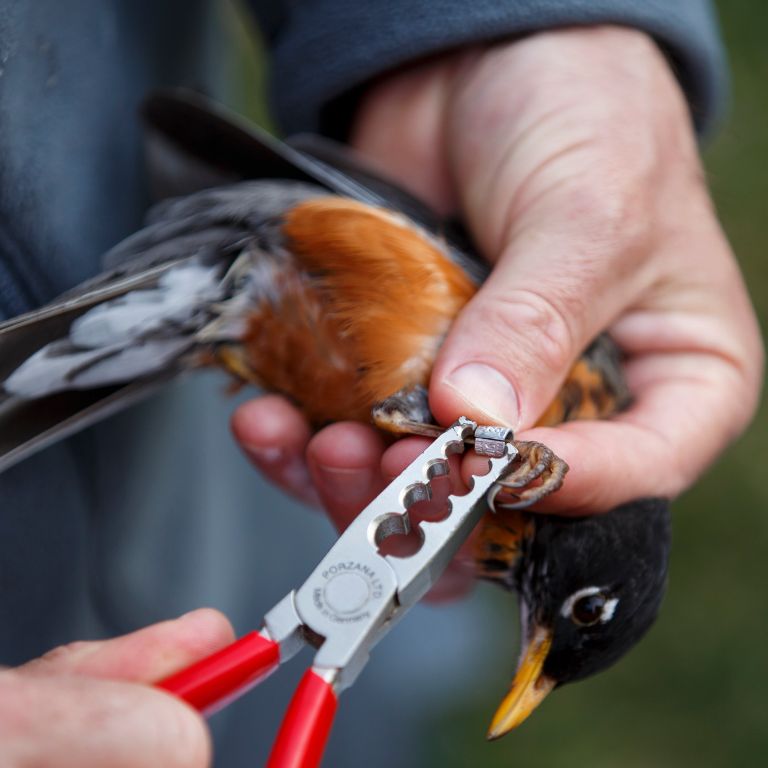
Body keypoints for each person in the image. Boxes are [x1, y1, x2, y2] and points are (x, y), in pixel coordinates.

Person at [0, 1, 760, 766]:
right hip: (267, 250)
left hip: (205, 379)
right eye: (576, 615)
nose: (529, 665)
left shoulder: (496, 520)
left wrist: (498, 34)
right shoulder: (579, 407)